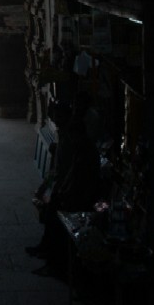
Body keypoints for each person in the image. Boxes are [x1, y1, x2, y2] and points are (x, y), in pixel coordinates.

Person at [27, 94, 102, 277]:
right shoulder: (73, 142)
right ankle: (46, 249)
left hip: (80, 198)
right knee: (51, 209)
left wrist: (59, 192)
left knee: (54, 214)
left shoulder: (82, 151)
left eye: (58, 117)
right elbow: (64, 172)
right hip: (70, 192)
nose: (56, 120)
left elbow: (71, 176)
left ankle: (53, 261)